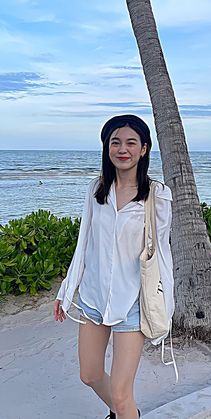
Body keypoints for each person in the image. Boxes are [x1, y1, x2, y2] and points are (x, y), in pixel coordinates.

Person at [54, 114, 175, 419]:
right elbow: (84, 244)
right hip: (93, 299)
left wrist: (166, 308)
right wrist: (66, 291)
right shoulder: (97, 190)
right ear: (107, 147)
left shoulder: (157, 196)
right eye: (115, 142)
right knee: (90, 375)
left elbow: (162, 254)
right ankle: (123, 412)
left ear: (144, 149)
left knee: (122, 394)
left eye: (131, 142)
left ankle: (124, 411)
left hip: (132, 303)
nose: (123, 149)